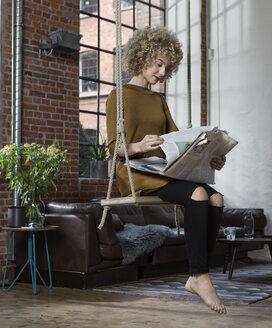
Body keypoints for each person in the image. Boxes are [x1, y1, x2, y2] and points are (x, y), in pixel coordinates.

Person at [106, 26, 227, 314]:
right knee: (198, 194)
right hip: (134, 173)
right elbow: (113, 147)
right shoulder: (118, 95)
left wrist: (209, 156)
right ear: (142, 56)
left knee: (216, 198)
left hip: (161, 169)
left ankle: (197, 276)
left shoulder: (158, 99)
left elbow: (176, 141)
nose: (162, 71)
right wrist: (137, 146)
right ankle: (200, 277)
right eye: (158, 63)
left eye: (166, 67)